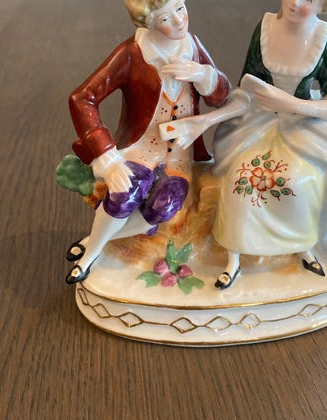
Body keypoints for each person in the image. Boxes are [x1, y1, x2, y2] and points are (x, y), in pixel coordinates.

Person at [161, 0, 327, 289]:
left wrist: (294, 105)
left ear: (323, 4)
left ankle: (303, 247)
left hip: (302, 125)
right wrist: (205, 121)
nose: (295, 3)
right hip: (258, 122)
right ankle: (233, 259)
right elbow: (247, 91)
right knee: (242, 178)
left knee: (299, 178)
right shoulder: (266, 28)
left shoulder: (325, 38)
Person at [64, 0, 230, 284]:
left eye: (180, 8)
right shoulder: (132, 53)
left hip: (178, 155)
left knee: (164, 206)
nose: (179, 21)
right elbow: (82, 98)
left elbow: (221, 97)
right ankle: (89, 258)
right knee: (124, 195)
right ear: (147, 22)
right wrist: (108, 157)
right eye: (165, 18)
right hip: (140, 149)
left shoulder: (191, 45)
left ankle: (94, 241)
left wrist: (205, 75)